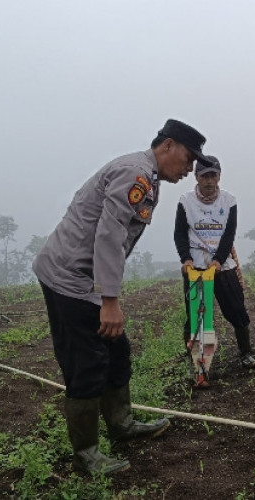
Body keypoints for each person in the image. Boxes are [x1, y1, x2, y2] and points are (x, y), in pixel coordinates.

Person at [33, 119, 214, 474]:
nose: (190, 169)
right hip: (69, 278)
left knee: (116, 350)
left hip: (86, 279)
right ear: (168, 146)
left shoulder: (147, 176)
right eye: (189, 159)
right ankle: (86, 454)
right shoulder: (137, 173)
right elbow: (109, 236)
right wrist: (109, 300)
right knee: (87, 363)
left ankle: (121, 424)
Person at [174, 155, 255, 369]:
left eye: (213, 176)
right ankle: (194, 357)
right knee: (195, 313)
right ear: (196, 178)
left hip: (222, 265)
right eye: (205, 177)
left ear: (219, 177)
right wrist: (185, 259)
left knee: (236, 309)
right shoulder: (186, 201)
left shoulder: (229, 201)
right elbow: (179, 233)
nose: (209, 181)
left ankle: (246, 353)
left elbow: (229, 234)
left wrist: (218, 261)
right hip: (195, 265)